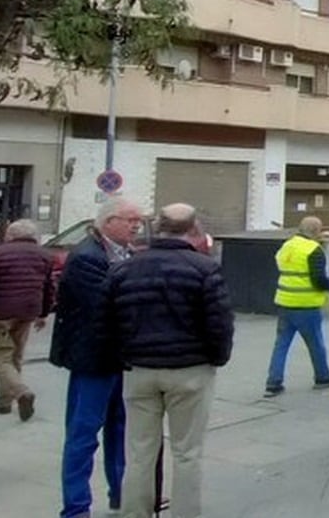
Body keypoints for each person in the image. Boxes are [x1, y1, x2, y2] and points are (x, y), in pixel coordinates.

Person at [106, 204, 234, 518]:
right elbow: (219, 322)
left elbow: (107, 321)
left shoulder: (125, 268)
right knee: (187, 452)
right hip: (190, 369)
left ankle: (135, 512)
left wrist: (123, 356)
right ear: (193, 229)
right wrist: (216, 358)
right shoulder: (203, 268)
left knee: (139, 452)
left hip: (140, 370)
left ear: (157, 228)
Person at [52, 197, 142, 517]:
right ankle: (76, 508)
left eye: (139, 221)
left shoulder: (126, 253)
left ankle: (120, 494)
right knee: (83, 435)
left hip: (120, 360)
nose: (136, 225)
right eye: (130, 220)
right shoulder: (86, 257)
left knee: (120, 432)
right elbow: (108, 306)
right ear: (108, 222)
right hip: (92, 360)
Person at [0, 219, 54, 421]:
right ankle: (3, 404)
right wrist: (44, 313)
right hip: (27, 312)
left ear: (9, 236)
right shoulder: (45, 256)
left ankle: (21, 392)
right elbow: (48, 288)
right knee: (15, 357)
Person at [264, 216, 329, 398]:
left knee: (281, 344)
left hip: (284, 301)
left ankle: (273, 382)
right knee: (316, 342)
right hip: (306, 304)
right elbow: (318, 281)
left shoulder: (287, 246)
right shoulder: (313, 250)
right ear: (316, 231)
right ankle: (322, 376)